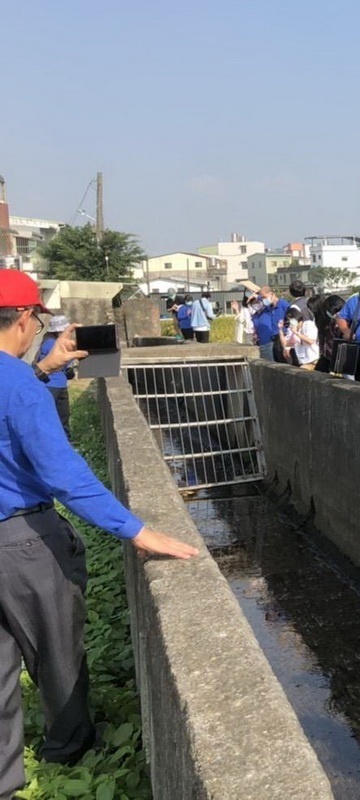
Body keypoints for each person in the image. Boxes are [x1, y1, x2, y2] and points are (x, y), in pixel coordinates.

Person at [0, 270, 198, 800]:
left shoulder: (22, 379)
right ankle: (69, 748)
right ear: (25, 318)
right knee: (56, 652)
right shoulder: (17, 385)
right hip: (21, 542)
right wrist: (136, 530)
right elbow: (61, 472)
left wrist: (48, 368)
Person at [35, 316, 76, 437]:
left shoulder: (50, 342)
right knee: (59, 417)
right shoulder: (52, 344)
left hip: (57, 384)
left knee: (60, 416)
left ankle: (63, 441)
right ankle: (62, 441)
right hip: (53, 385)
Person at [250, 286, 290, 363]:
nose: (264, 300)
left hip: (283, 337)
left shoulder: (283, 305)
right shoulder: (268, 307)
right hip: (273, 339)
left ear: (271, 294)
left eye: (265, 297)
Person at [280, 306, 319, 370]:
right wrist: (280, 330)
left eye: (291, 320)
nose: (290, 323)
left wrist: (297, 333)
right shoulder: (293, 329)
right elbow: (286, 344)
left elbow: (311, 341)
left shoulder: (308, 324)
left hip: (313, 360)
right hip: (302, 361)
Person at [314, 294, 344, 374]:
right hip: (328, 357)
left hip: (342, 359)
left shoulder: (348, 323)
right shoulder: (329, 323)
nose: (335, 317)